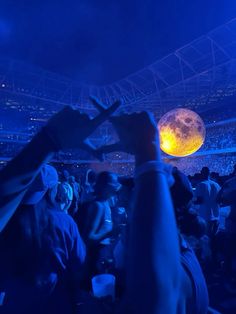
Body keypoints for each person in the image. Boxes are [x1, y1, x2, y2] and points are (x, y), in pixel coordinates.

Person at [0, 100, 121, 313]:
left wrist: (48, 141)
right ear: (51, 190)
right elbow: (78, 265)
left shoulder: (7, 223)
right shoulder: (63, 222)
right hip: (58, 306)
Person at [195, 167, 221, 237]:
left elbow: (199, 200)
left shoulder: (201, 184)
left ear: (201, 173)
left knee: (206, 237)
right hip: (216, 214)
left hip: (205, 215)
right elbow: (220, 199)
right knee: (214, 237)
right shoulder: (216, 185)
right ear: (209, 173)